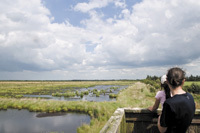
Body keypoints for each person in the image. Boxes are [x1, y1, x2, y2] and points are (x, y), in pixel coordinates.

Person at [158, 67, 196, 133]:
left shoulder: (169, 103)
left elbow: (162, 130)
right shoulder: (190, 97)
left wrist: (159, 118)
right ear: (183, 81)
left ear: (167, 81)